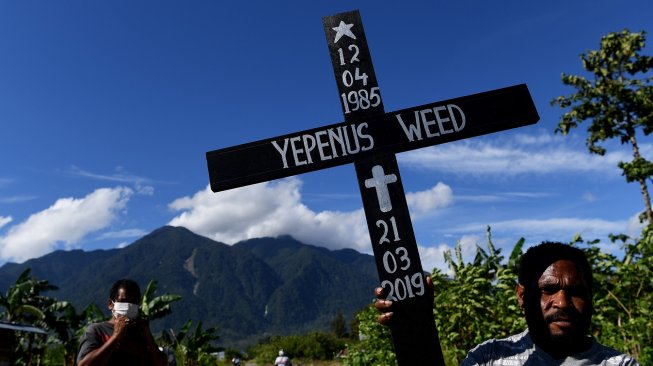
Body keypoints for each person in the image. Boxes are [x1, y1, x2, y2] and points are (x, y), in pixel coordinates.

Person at [375, 242, 639, 365]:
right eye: (548, 290)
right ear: (523, 297)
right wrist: (417, 332)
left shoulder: (619, 364)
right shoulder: (489, 358)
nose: (563, 302)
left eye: (576, 291)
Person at [77, 278, 167, 366]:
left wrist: (149, 338)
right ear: (110, 304)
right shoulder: (97, 331)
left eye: (133, 302)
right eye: (123, 301)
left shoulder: (141, 334)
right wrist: (115, 337)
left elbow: (162, 363)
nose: (128, 306)